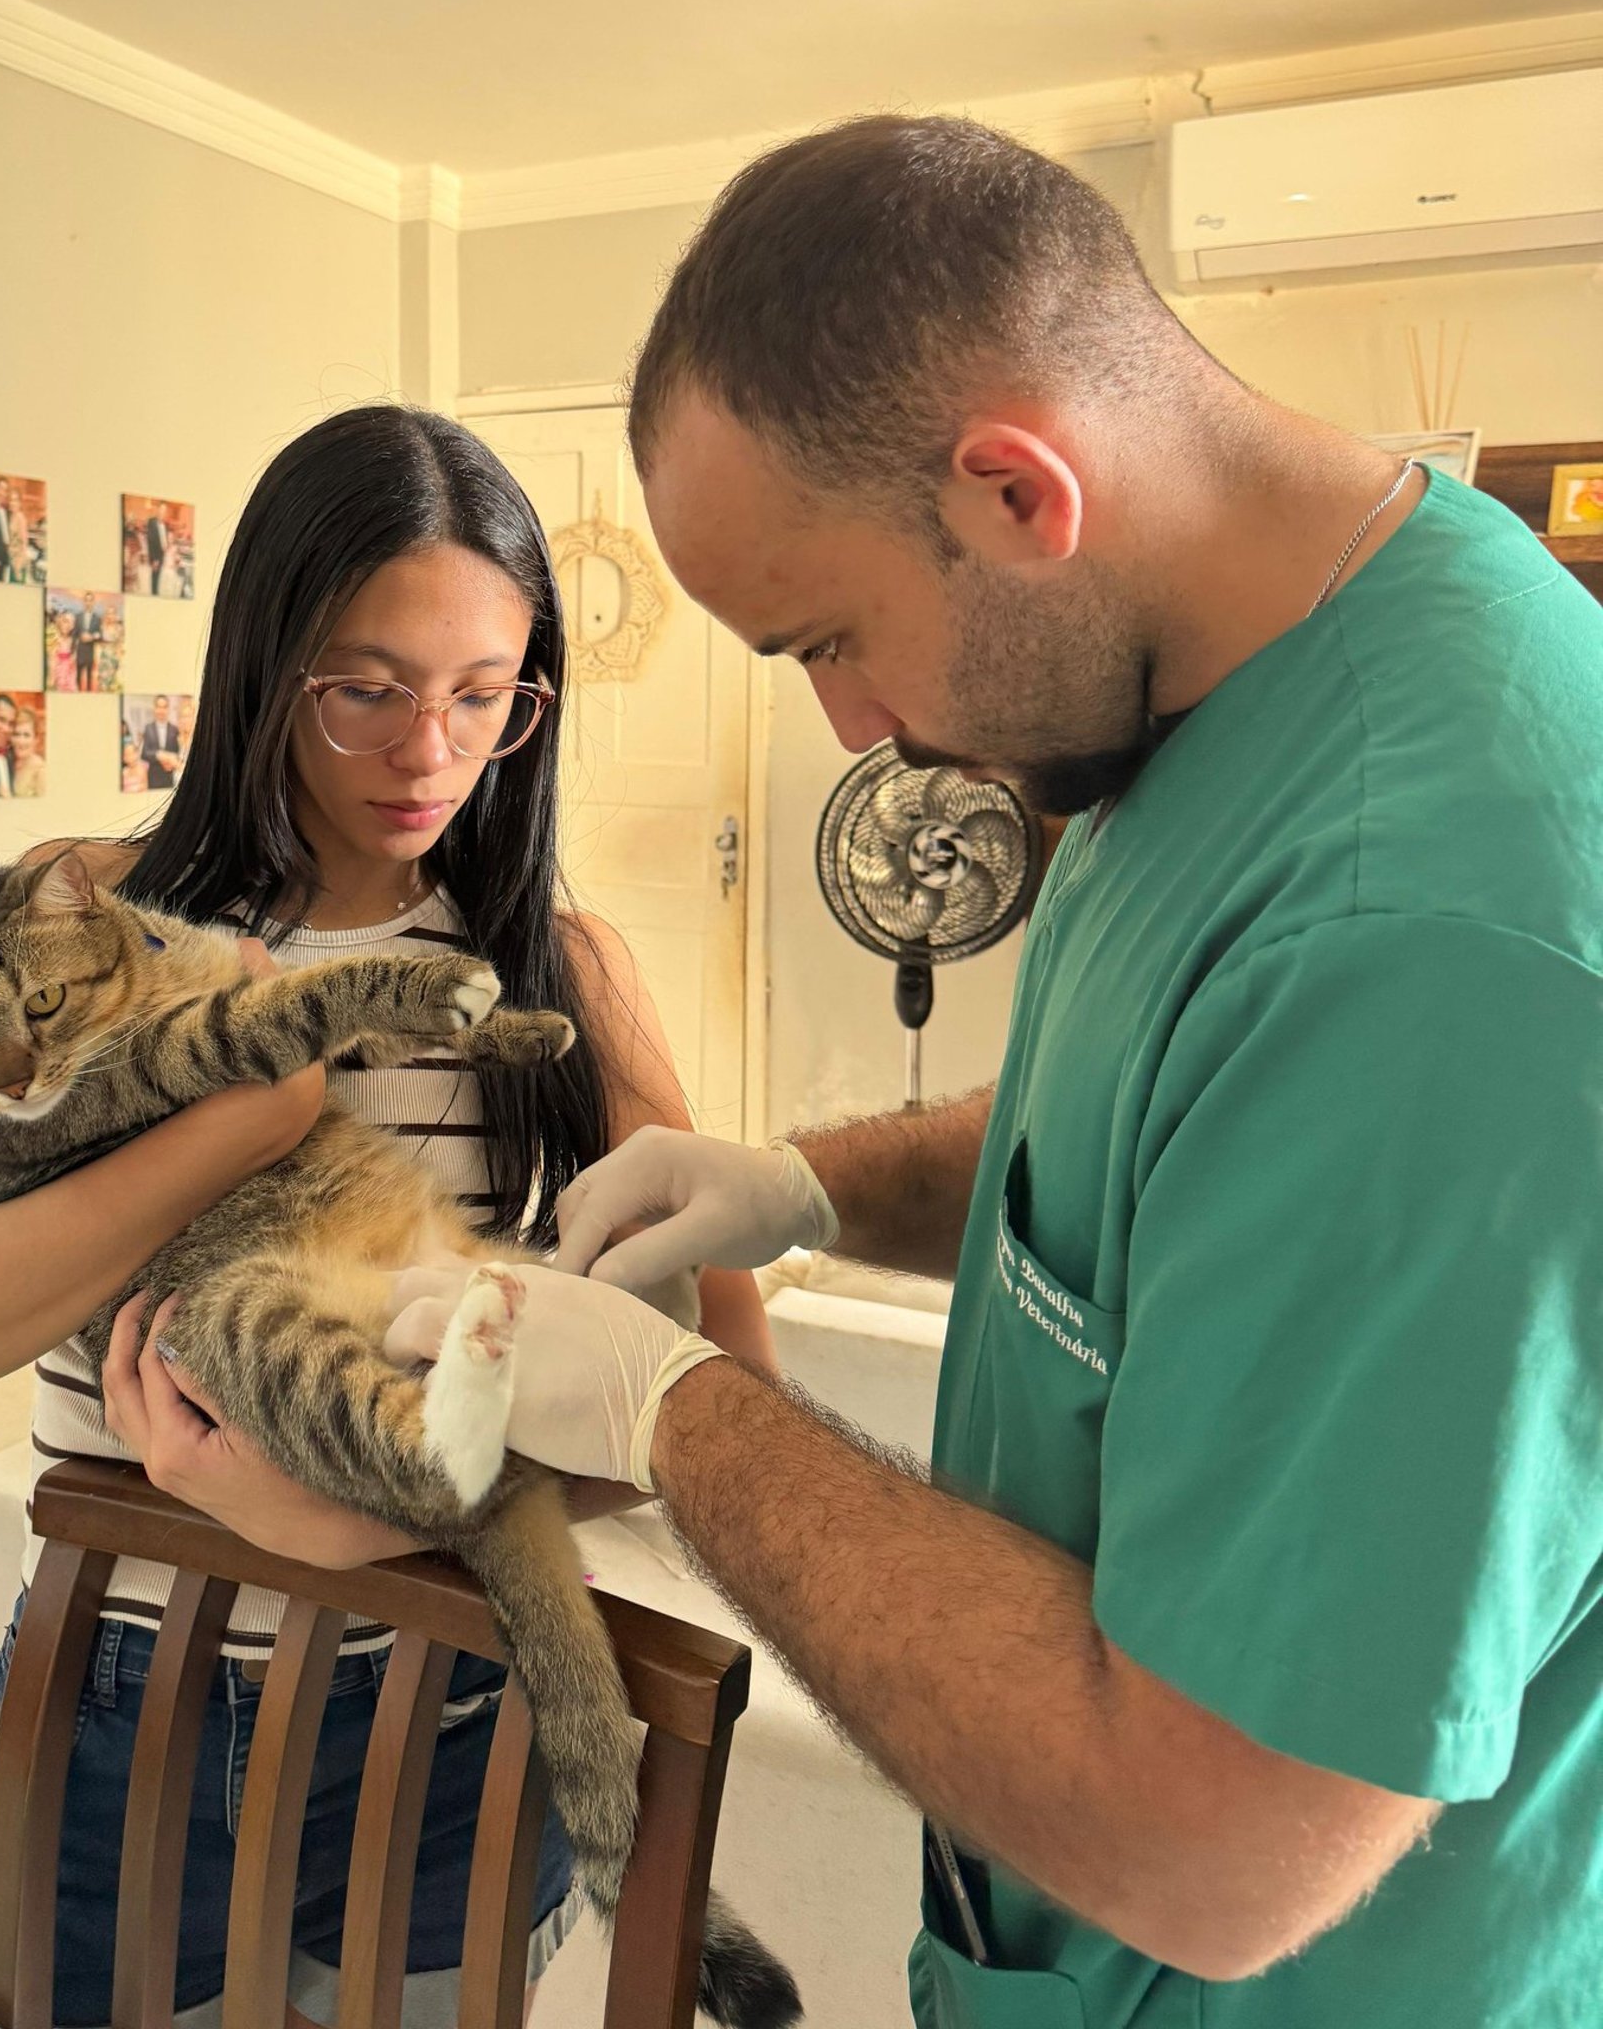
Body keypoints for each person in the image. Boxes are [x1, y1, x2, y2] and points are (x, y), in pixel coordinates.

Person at [385, 116, 1603, 2029]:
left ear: (1022, 494)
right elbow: (1158, 1137)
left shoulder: (1430, 931)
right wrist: (803, 1180)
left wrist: (671, 1411)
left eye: (833, 639)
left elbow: (1218, 1847)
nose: (857, 728)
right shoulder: (1197, 691)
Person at [0, 404, 774, 2028]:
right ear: (263, 665)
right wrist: (234, 1130)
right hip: (130, 1705)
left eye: (485, 695)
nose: (430, 754)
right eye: (366, 688)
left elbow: (711, 1398)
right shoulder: (83, 924)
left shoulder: (569, 974)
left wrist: (358, 1524)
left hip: (452, 1708)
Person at [139, 692, 181, 791]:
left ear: (168, 709)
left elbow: (179, 753)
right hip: (153, 779)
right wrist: (158, 754)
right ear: (154, 709)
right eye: (159, 707)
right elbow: (144, 754)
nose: (161, 710)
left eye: (164, 707)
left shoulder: (174, 729)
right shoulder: (148, 728)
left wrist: (171, 762)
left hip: (171, 778)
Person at [8, 707, 47, 800]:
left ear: (36, 739)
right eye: (16, 734)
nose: (21, 741)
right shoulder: (8, 762)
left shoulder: (41, 770)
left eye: (26, 735)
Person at [74, 591, 105, 692]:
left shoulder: (97, 618)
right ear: (84, 602)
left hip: (90, 651)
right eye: (86, 600)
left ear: (93, 602)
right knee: (78, 677)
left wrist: (91, 637)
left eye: (90, 600)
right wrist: (81, 636)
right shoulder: (78, 617)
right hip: (80, 651)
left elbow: (100, 635)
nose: (88, 602)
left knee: (89, 678)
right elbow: (74, 633)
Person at [48, 608, 76, 694]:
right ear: (60, 622)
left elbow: (73, 660)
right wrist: (52, 678)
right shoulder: (55, 639)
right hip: (59, 674)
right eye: (65, 621)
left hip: (71, 676)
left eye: (71, 623)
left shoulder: (73, 640)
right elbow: (52, 660)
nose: (67, 625)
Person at [144, 505, 169, 595]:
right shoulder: (152, 522)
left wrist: (166, 546)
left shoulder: (165, 525)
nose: (163, 513)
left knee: (158, 575)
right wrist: (154, 559)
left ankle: (155, 592)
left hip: (162, 554)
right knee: (154, 576)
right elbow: (151, 541)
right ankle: (154, 594)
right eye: (162, 510)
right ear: (158, 510)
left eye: (165, 511)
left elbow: (164, 538)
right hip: (155, 555)